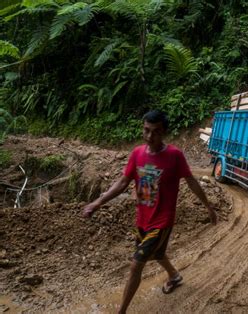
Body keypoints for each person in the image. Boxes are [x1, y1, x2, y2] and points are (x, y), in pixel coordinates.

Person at [82, 110, 217, 314]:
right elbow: (122, 182)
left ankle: (122, 312)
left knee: (136, 265)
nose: (149, 136)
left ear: (164, 132)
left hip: (162, 221)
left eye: (155, 132)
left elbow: (191, 181)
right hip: (142, 219)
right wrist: (98, 202)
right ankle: (174, 276)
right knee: (158, 253)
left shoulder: (174, 156)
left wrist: (208, 206)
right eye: (146, 130)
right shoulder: (137, 154)